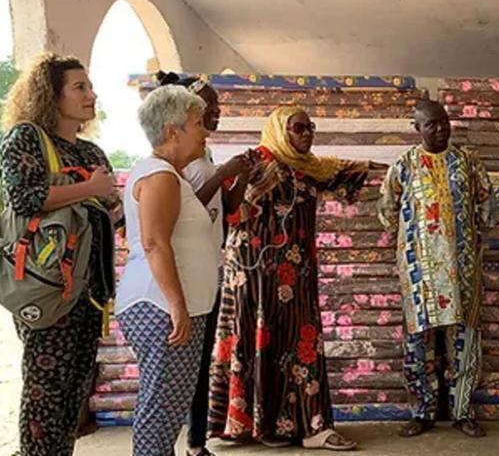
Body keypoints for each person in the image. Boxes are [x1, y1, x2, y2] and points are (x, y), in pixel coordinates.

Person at [208, 106, 379, 451]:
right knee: (254, 340)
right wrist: (237, 178)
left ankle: (312, 428)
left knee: (300, 344)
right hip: (253, 275)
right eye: (298, 128)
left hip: (295, 275)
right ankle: (251, 426)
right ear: (279, 130)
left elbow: (346, 170)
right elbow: (228, 211)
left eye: (310, 127)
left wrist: (399, 167)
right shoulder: (253, 162)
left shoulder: (310, 169)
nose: (306, 134)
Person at [0, 53, 119, 456]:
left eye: (90, 86)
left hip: (88, 294)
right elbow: (25, 197)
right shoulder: (26, 139)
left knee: (73, 398)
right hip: (49, 290)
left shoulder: (91, 153)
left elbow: (109, 216)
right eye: (79, 87)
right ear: (51, 95)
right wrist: (90, 189)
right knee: (44, 396)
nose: (91, 95)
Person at [378, 99, 495, 439]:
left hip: (462, 269)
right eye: (431, 124)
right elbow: (387, 209)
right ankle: (421, 411)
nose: (441, 128)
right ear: (417, 128)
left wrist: (469, 234)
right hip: (419, 273)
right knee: (418, 344)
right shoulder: (404, 165)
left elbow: (487, 204)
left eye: (444, 122)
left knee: (465, 340)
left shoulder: (468, 163)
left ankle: (463, 412)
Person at [115, 85, 219, 456]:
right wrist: (177, 305)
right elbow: (155, 243)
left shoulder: (169, 175)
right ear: (173, 131)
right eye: (197, 124)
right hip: (160, 307)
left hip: (170, 307)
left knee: (167, 407)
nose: (205, 131)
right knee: (161, 409)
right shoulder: (160, 176)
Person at [154, 71, 251, 456]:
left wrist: (239, 178)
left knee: (198, 364)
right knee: (178, 367)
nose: (217, 112)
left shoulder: (203, 155)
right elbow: (181, 207)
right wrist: (223, 175)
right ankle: (172, 444)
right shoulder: (171, 163)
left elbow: (226, 209)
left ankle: (196, 443)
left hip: (208, 269)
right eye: (209, 107)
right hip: (186, 272)